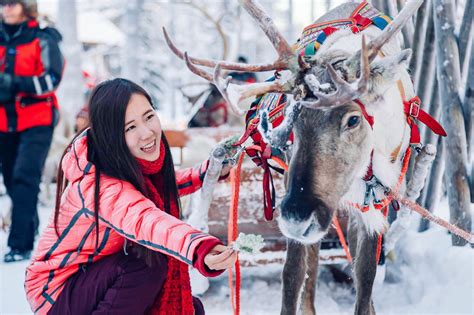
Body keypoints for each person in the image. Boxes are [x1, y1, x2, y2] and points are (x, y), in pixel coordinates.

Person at [25, 78, 237, 315]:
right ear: (111, 136)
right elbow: (146, 218)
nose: (146, 133)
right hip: (56, 291)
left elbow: (165, 185)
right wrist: (198, 246)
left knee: (187, 306)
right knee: (146, 267)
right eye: (129, 127)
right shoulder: (99, 185)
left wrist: (208, 171)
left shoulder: (127, 164)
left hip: (95, 275)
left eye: (148, 117)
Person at [0, 0, 64, 262]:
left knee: (25, 176)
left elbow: (51, 79)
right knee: (11, 180)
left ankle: (20, 245)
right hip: (5, 122)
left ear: (27, 6)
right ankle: (31, 225)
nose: (7, 8)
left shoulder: (43, 38)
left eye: (13, 2)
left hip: (37, 119)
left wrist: (13, 83)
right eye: (3, 3)